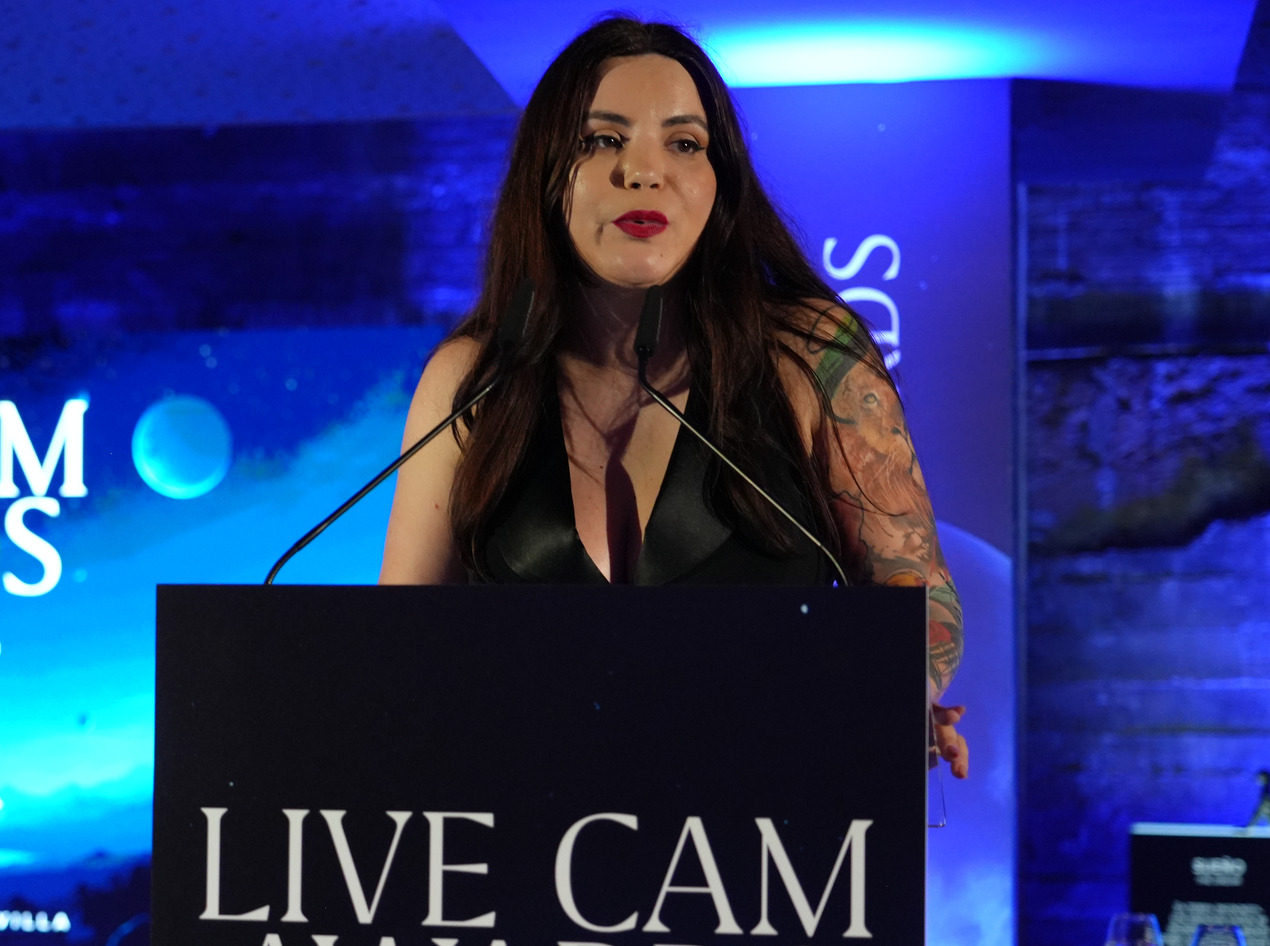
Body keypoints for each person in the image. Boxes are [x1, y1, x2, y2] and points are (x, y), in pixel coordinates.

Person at [378, 16, 969, 778]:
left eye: (684, 143)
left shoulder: (807, 351)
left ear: (720, 182)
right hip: (524, 814)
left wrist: (902, 686)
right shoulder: (472, 379)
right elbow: (397, 647)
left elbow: (915, 584)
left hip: (763, 815)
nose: (644, 171)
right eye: (602, 139)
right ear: (545, 176)